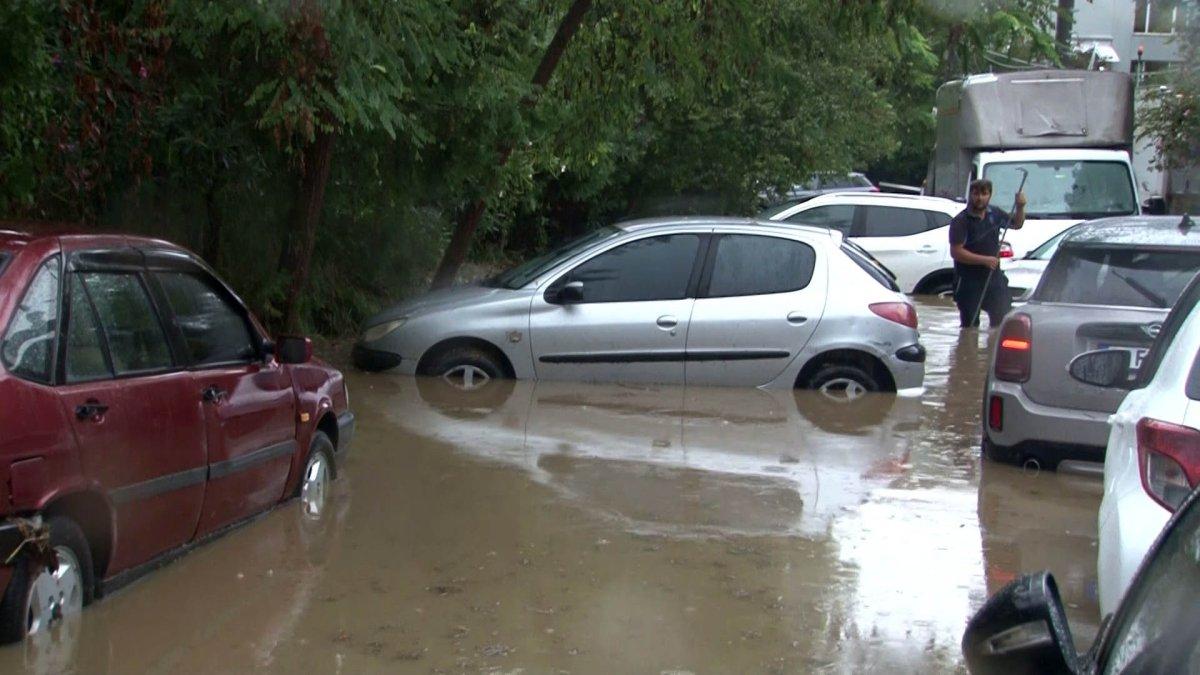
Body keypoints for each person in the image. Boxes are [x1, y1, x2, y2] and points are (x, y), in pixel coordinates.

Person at [949, 179, 1026, 328]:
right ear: (970, 194)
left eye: (984, 194)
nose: (979, 198)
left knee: (1002, 322)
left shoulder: (994, 213)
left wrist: (1020, 206)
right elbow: (956, 252)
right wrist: (984, 260)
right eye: (976, 193)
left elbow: (1017, 224)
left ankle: (992, 350)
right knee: (970, 327)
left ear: (990, 195)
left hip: (993, 279)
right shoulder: (960, 221)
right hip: (968, 281)